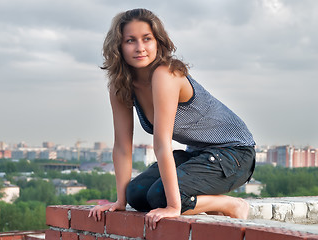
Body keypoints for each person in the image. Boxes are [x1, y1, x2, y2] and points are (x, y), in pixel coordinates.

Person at [88, 8, 256, 230]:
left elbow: (162, 143)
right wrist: (120, 202)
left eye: (147, 39)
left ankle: (230, 205)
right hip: (197, 155)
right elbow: (121, 146)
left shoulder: (165, 74)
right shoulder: (121, 85)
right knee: (136, 196)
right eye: (130, 40)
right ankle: (201, 202)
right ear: (118, 46)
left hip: (235, 155)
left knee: (161, 198)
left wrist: (174, 207)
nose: (140, 48)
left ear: (158, 42)